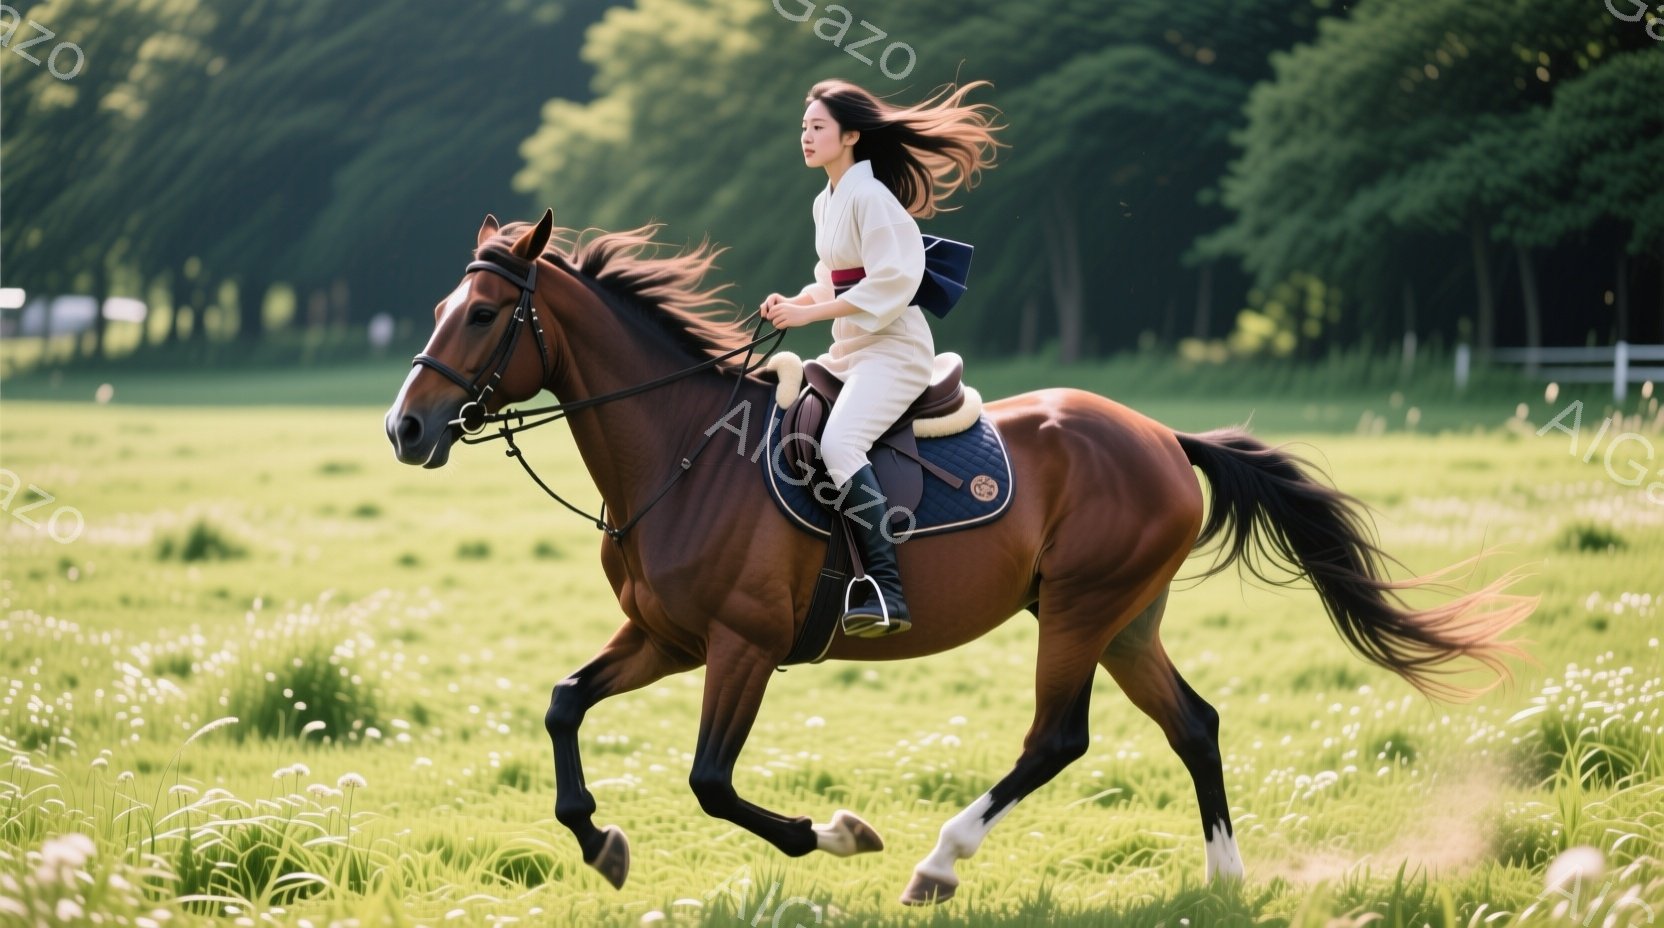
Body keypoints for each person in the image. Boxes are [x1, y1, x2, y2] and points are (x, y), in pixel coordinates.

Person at [760, 78, 1003, 638]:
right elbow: (833, 280)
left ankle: (887, 590)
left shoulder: (872, 198)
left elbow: (896, 279)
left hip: (894, 352)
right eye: (803, 127)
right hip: (852, 351)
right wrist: (796, 303)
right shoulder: (827, 201)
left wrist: (809, 317)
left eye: (817, 127)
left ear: (850, 135)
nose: (806, 136)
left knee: (840, 442)